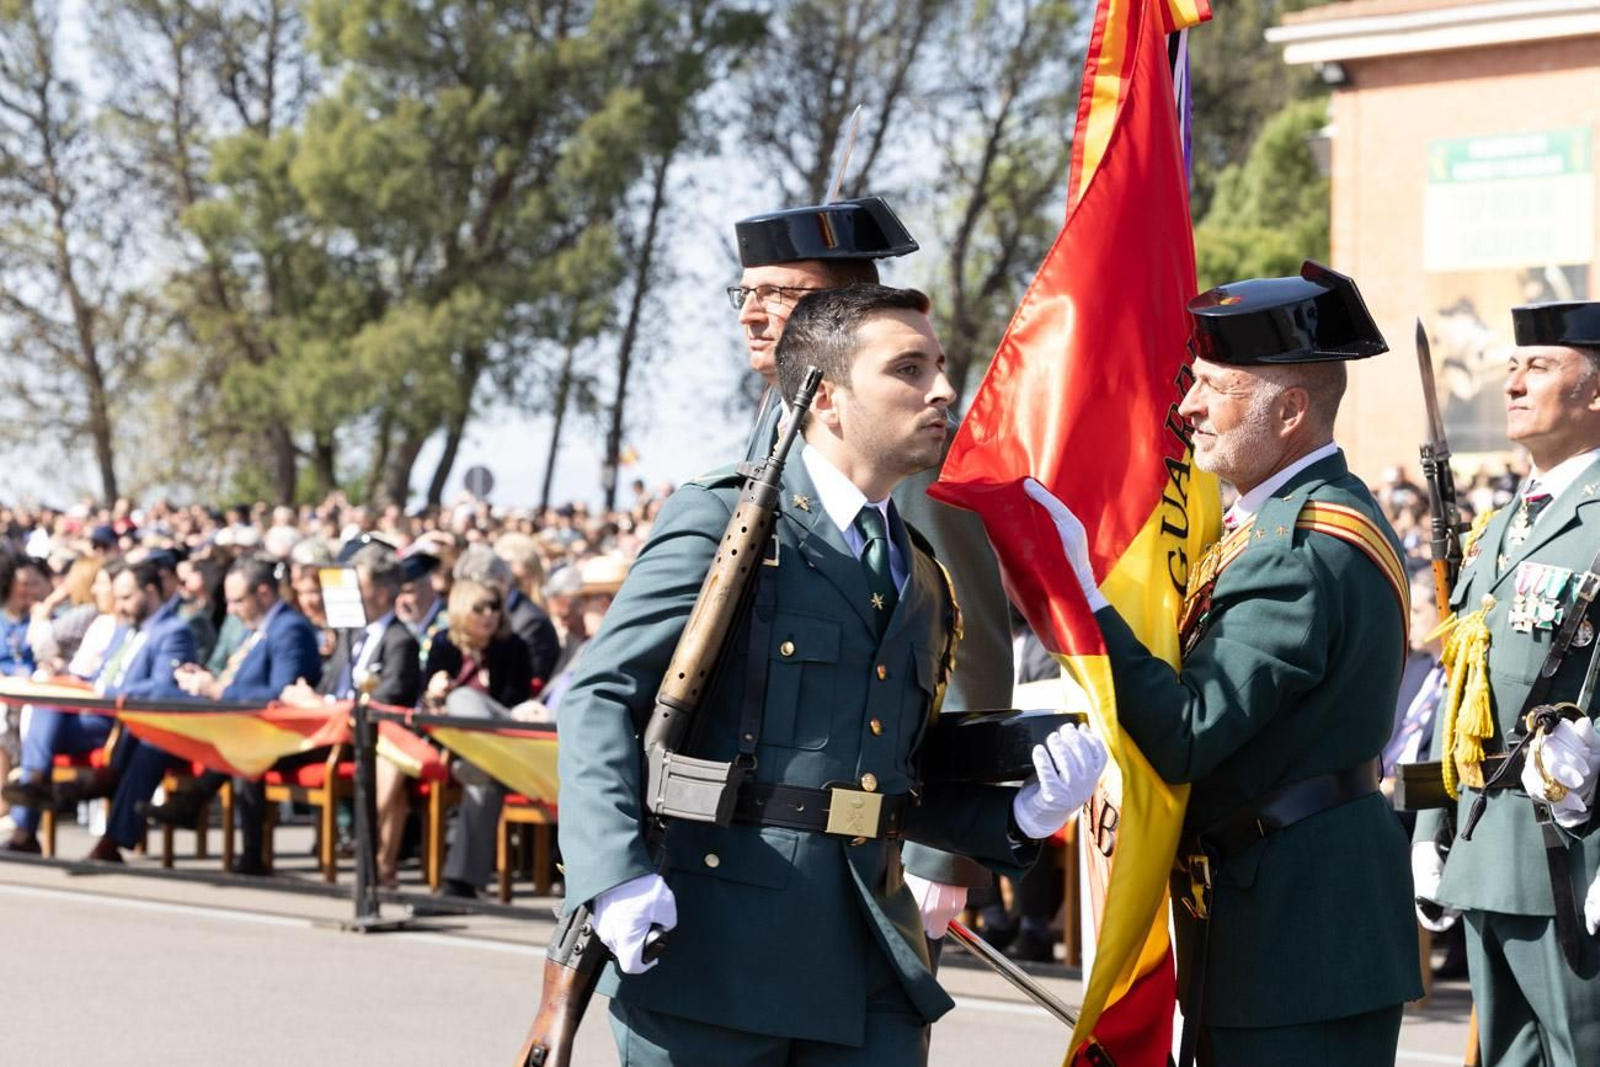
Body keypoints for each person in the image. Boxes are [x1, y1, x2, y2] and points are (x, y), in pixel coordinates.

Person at [558, 285, 1106, 1064]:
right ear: (826, 398)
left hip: (864, 957)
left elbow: (888, 778)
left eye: (941, 365)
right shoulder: (727, 522)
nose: (943, 388)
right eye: (909, 369)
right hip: (715, 950)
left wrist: (1013, 816)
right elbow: (601, 695)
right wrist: (613, 874)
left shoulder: (919, 570)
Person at [1025, 262, 1421, 1063]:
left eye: (1215, 387)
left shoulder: (1299, 548)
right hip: (1280, 914)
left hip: (1297, 934)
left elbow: (1187, 730)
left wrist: (1085, 601)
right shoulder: (1276, 527)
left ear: (1291, 409)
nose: (1188, 407)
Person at [732, 194, 1015, 935]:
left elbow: (966, 638)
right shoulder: (773, 418)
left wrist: (941, 856)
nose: (750, 314)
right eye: (745, 292)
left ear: (840, 309)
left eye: (774, 293)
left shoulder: (901, 446)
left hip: (881, 838)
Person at [1413, 299, 1600, 1065]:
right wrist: (1427, 826)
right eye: (1513, 367)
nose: (1515, 383)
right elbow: (1455, 685)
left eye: (1541, 366)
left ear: (1595, 393)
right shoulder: (1497, 528)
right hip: (1487, 851)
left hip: (1571, 858)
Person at [142, 556, 323, 874]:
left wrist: (218, 692)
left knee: (243, 750)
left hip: (290, 736)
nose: (232, 609)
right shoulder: (254, 630)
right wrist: (204, 681)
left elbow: (283, 693)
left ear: (264, 593)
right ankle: (193, 802)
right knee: (167, 703)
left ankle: (234, 838)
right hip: (246, 726)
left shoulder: (289, 629)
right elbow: (238, 680)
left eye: (239, 600)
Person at [422, 576, 535, 898]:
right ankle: (460, 884)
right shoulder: (444, 645)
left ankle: (482, 758)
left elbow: (515, 704)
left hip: (507, 738)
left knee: (464, 699)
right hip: (461, 747)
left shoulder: (513, 647)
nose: (489, 614)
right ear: (460, 610)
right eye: (479, 607)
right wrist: (434, 693)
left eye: (495, 606)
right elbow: (423, 708)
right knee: (483, 780)